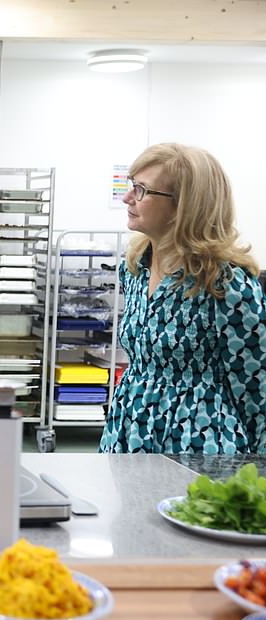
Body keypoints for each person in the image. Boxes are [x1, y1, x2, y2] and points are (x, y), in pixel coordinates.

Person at [100, 143, 266, 455]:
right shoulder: (134, 268)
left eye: (141, 190)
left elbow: (257, 389)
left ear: (184, 206)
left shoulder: (225, 284)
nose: (127, 198)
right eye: (130, 185)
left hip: (196, 445)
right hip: (128, 434)